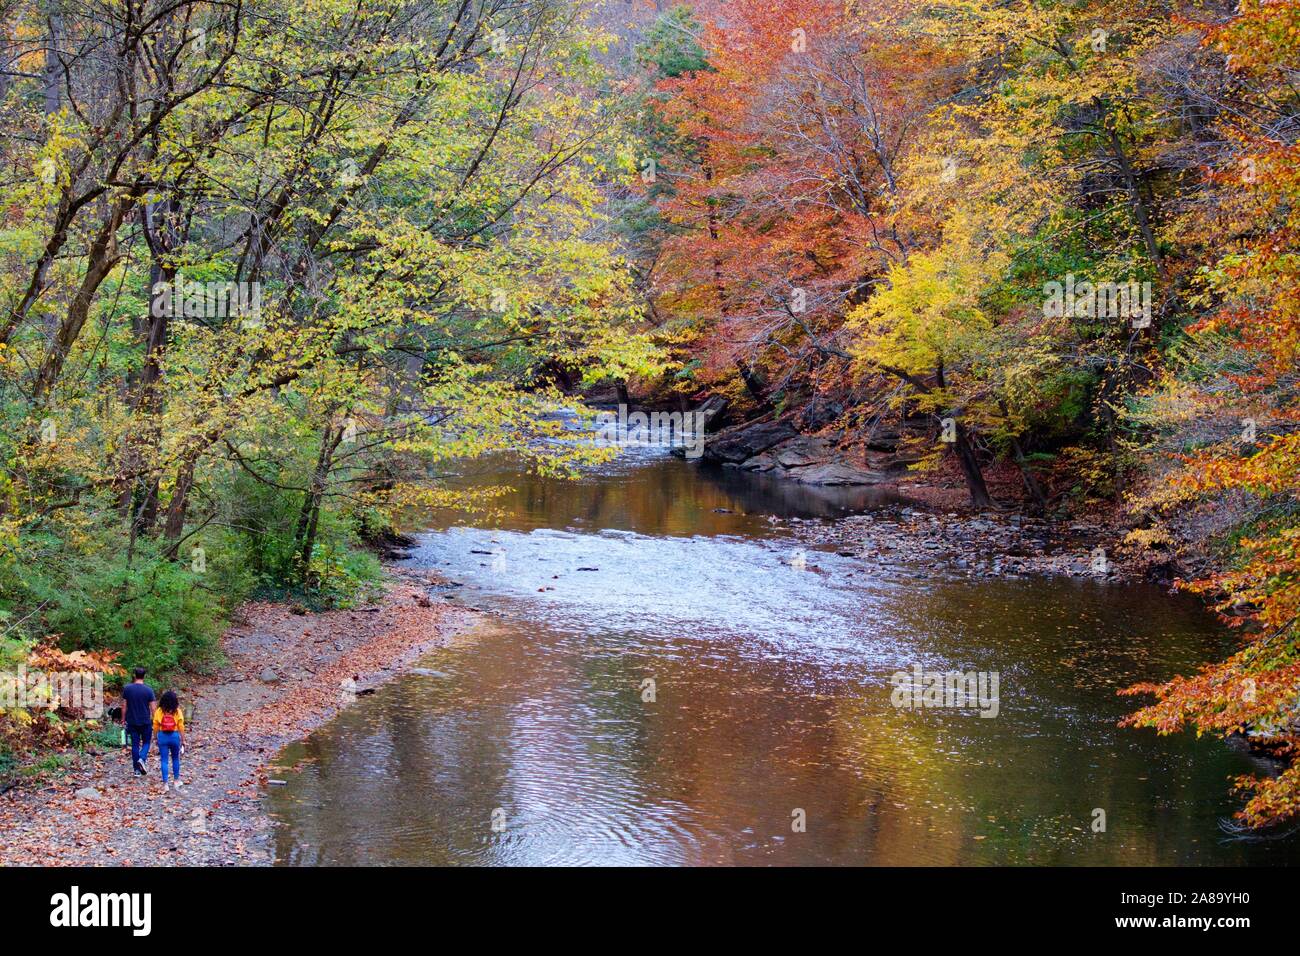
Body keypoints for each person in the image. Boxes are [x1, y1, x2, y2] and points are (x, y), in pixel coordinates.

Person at [121, 668, 156, 776]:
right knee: (146, 742)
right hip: (145, 721)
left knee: (135, 745)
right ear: (144, 676)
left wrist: (123, 719)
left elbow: (124, 706)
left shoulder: (127, 689)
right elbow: (153, 708)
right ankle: (142, 758)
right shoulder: (148, 690)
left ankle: (136, 770)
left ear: (134, 675)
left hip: (132, 720)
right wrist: (156, 721)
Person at [153, 690, 185, 791]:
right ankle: (176, 781)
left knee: (164, 760)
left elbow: (155, 725)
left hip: (162, 736)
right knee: (175, 758)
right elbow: (181, 726)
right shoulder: (177, 711)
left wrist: (155, 737)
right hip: (174, 736)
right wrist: (183, 739)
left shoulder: (159, 711)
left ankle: (165, 784)